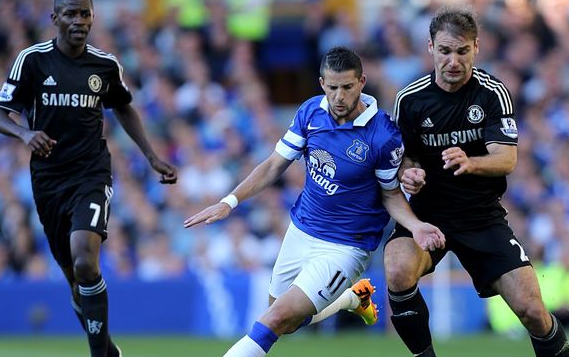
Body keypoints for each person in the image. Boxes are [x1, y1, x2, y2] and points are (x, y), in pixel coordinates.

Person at [184, 46, 445, 357]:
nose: (339, 96)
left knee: (275, 319)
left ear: (361, 82)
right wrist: (229, 201)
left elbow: (390, 194)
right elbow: (272, 165)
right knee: (284, 318)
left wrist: (414, 225)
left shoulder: (383, 135)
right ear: (322, 83)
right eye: (332, 87)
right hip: (301, 230)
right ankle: (352, 298)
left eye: (347, 87)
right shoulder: (310, 112)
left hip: (345, 245)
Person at [0, 0, 178, 357]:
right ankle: (109, 351)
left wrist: (151, 156)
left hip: (91, 174)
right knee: (76, 279)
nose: (79, 21)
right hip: (48, 182)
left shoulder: (104, 65)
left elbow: (123, 106)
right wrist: (25, 132)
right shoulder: (32, 61)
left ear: (93, 17)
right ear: (54, 18)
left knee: (85, 260)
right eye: (71, 14)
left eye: (85, 14)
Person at [386, 6, 569, 357]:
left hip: (481, 216)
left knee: (532, 311)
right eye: (445, 51)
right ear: (430, 48)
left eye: (462, 50)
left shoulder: (491, 93)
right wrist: (408, 173)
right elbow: (404, 157)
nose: (453, 61)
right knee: (397, 271)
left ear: (476, 48)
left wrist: (469, 162)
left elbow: (508, 158)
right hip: (428, 215)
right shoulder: (409, 100)